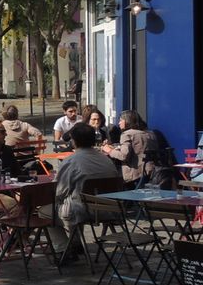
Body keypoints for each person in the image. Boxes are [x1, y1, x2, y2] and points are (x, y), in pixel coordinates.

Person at [42, 122, 121, 256]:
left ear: (74, 140)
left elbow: (59, 191)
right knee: (75, 200)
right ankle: (75, 243)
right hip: (108, 209)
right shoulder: (106, 160)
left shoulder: (71, 161)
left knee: (45, 211)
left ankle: (63, 248)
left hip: (81, 210)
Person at [101, 109, 159, 186]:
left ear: (127, 121)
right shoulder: (150, 134)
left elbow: (124, 156)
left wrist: (109, 151)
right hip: (151, 173)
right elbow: (139, 148)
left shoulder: (127, 134)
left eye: (121, 120)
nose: (119, 123)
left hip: (134, 176)